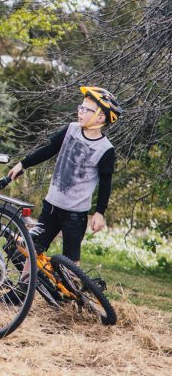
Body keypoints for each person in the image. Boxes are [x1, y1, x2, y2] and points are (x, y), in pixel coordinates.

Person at [7, 86, 120, 266]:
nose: (81, 112)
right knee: (33, 249)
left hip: (76, 215)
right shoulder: (71, 130)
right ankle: (22, 290)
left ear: (101, 117)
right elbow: (48, 150)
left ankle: (70, 293)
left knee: (71, 260)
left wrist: (99, 213)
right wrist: (23, 163)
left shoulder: (106, 149)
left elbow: (106, 183)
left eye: (87, 110)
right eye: (80, 108)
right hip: (51, 206)